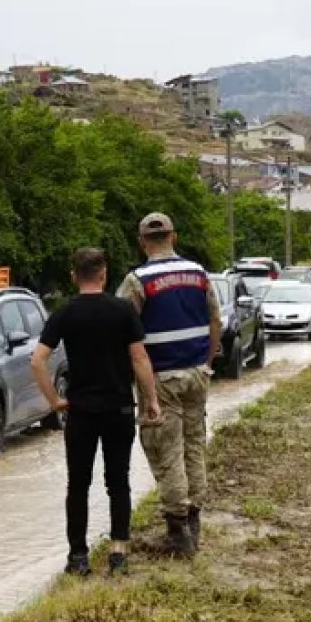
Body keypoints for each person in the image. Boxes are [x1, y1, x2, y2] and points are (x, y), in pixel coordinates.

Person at [31, 248, 161, 577]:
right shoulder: (123, 311)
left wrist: (54, 400)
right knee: (118, 483)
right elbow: (140, 359)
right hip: (118, 409)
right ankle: (119, 552)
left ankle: (78, 556)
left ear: (74, 275)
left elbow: (37, 360)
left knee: (78, 484)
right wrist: (152, 401)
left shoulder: (63, 313)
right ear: (104, 275)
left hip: (81, 412)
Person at [116, 212, 222, 558]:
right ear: (173, 237)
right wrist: (207, 363)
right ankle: (194, 520)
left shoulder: (137, 281)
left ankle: (179, 533)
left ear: (142, 241)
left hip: (161, 378)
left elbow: (121, 328)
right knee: (194, 445)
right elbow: (215, 320)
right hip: (196, 375)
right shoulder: (198, 273)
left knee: (166, 451)